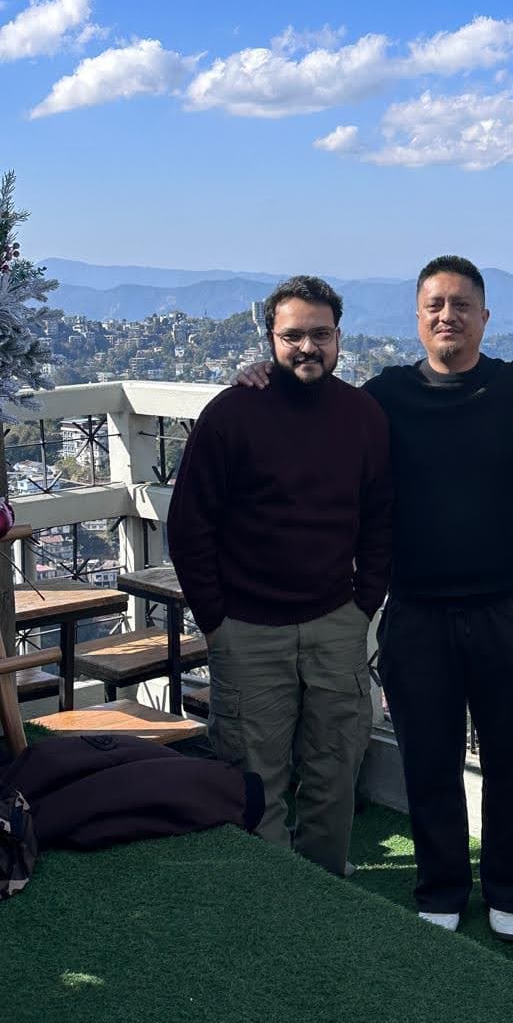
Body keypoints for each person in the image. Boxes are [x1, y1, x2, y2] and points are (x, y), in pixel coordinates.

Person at [236, 256, 513, 940]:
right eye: (435, 305)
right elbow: (313, 401)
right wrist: (259, 378)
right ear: (417, 319)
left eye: (462, 305)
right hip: (413, 606)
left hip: (505, 602)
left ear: (485, 318)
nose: (448, 316)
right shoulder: (382, 397)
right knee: (428, 757)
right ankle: (439, 885)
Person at [167, 275, 391, 877]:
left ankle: (328, 893)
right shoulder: (231, 415)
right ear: (271, 339)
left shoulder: (363, 415)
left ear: (340, 336)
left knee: (335, 770)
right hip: (246, 631)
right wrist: (216, 623)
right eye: (292, 335)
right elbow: (189, 528)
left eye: (320, 333)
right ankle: (273, 901)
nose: (307, 347)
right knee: (253, 780)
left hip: (335, 624)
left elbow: (379, 520)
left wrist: (362, 607)